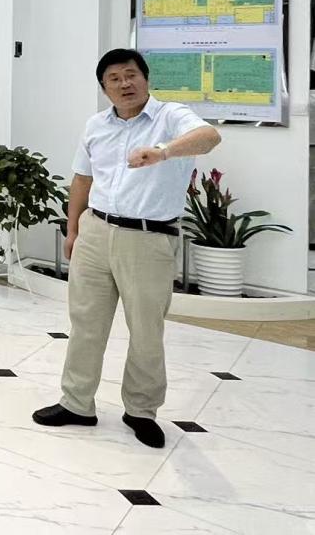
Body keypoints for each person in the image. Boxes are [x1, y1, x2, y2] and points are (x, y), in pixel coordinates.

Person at [33, 49, 221, 449]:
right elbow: (82, 180)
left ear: (146, 78)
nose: (124, 84)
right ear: (104, 88)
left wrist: (164, 152)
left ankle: (140, 410)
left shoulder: (171, 116)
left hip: (148, 238)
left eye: (131, 75)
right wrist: (73, 231)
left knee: (146, 330)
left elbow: (210, 138)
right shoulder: (96, 125)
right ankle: (76, 403)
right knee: (86, 322)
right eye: (114, 78)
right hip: (96, 231)